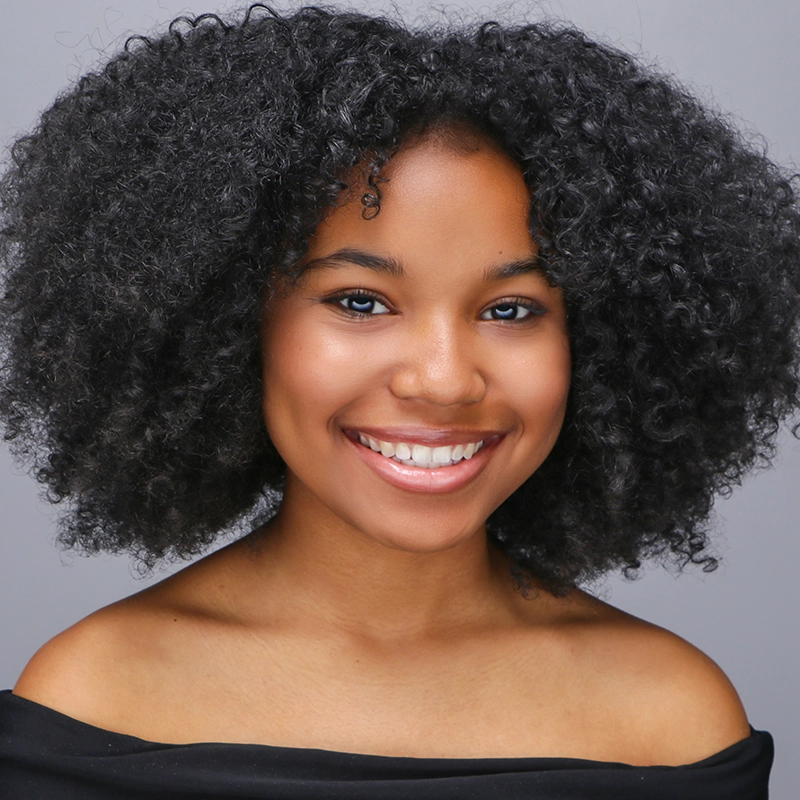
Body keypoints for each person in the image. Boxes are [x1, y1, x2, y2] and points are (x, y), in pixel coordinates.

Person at [0, 4, 797, 797]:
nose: (444, 380)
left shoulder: (670, 719)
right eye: (360, 301)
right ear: (224, 319)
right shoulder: (93, 699)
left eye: (511, 310)